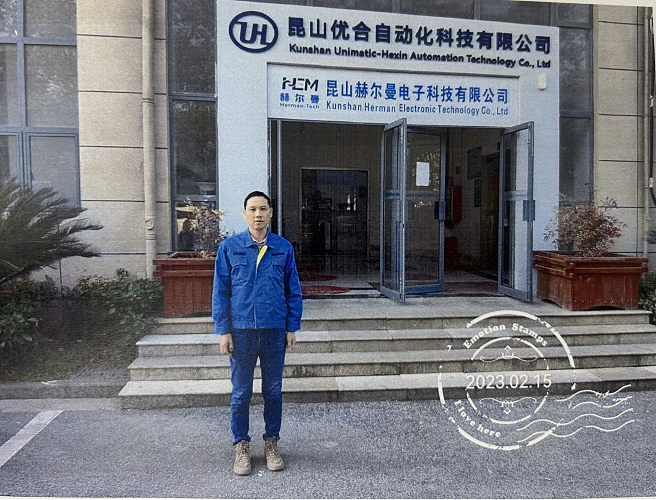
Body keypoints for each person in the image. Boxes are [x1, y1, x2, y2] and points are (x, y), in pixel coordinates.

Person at [212, 191, 303, 475]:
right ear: (244, 214)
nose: (258, 214)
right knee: (241, 393)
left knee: (273, 391)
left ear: (271, 213)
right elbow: (220, 291)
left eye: (263, 209)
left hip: (274, 330)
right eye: (252, 209)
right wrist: (223, 330)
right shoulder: (230, 248)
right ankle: (241, 445)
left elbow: (293, 290)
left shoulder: (283, 248)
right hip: (241, 332)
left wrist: (292, 326)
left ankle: (271, 443)